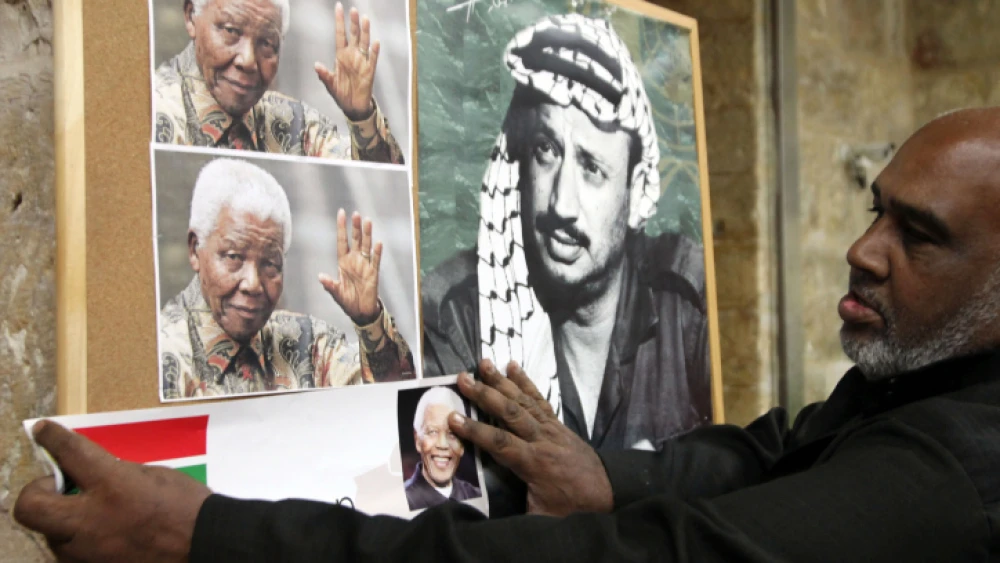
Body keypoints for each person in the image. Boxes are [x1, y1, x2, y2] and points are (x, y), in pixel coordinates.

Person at [14, 107, 1000, 562]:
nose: (863, 251)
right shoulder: (922, 368)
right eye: (877, 210)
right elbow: (774, 449)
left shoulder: (956, 470)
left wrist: (200, 530)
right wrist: (613, 473)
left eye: (918, 235)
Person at [422, 13, 711, 451]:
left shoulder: (687, 305)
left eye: (592, 168)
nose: (561, 204)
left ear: (635, 193)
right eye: (546, 151)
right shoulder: (461, 314)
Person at [159, 158, 415, 399]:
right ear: (195, 250)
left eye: (270, 264)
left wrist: (370, 321)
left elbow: (399, 396)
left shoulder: (306, 344)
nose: (253, 284)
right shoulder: (162, 356)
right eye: (234, 257)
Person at [155, 0, 405, 163]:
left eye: (266, 44)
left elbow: (387, 180)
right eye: (231, 31)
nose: (248, 60)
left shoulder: (295, 124)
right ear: (191, 18)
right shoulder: (151, 113)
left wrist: (361, 115)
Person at [404, 387, 481, 510]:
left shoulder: (475, 494)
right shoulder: (404, 500)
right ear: (418, 440)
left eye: (452, 434)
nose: (443, 444)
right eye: (432, 431)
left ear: (462, 445)